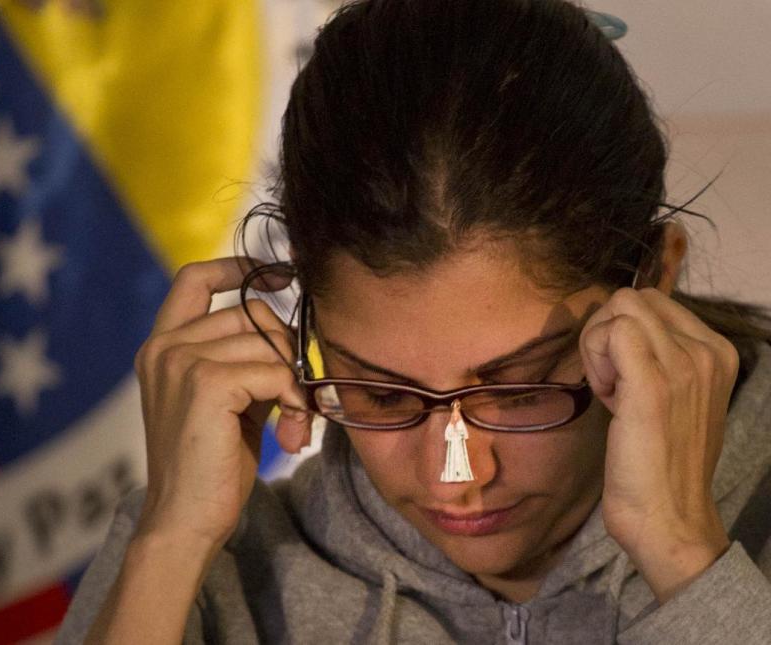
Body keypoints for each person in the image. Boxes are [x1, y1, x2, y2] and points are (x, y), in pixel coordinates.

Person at [56, 0, 771, 642]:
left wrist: (684, 558)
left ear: (654, 277)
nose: (456, 475)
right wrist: (169, 545)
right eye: (385, 396)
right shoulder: (208, 557)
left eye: (519, 390)